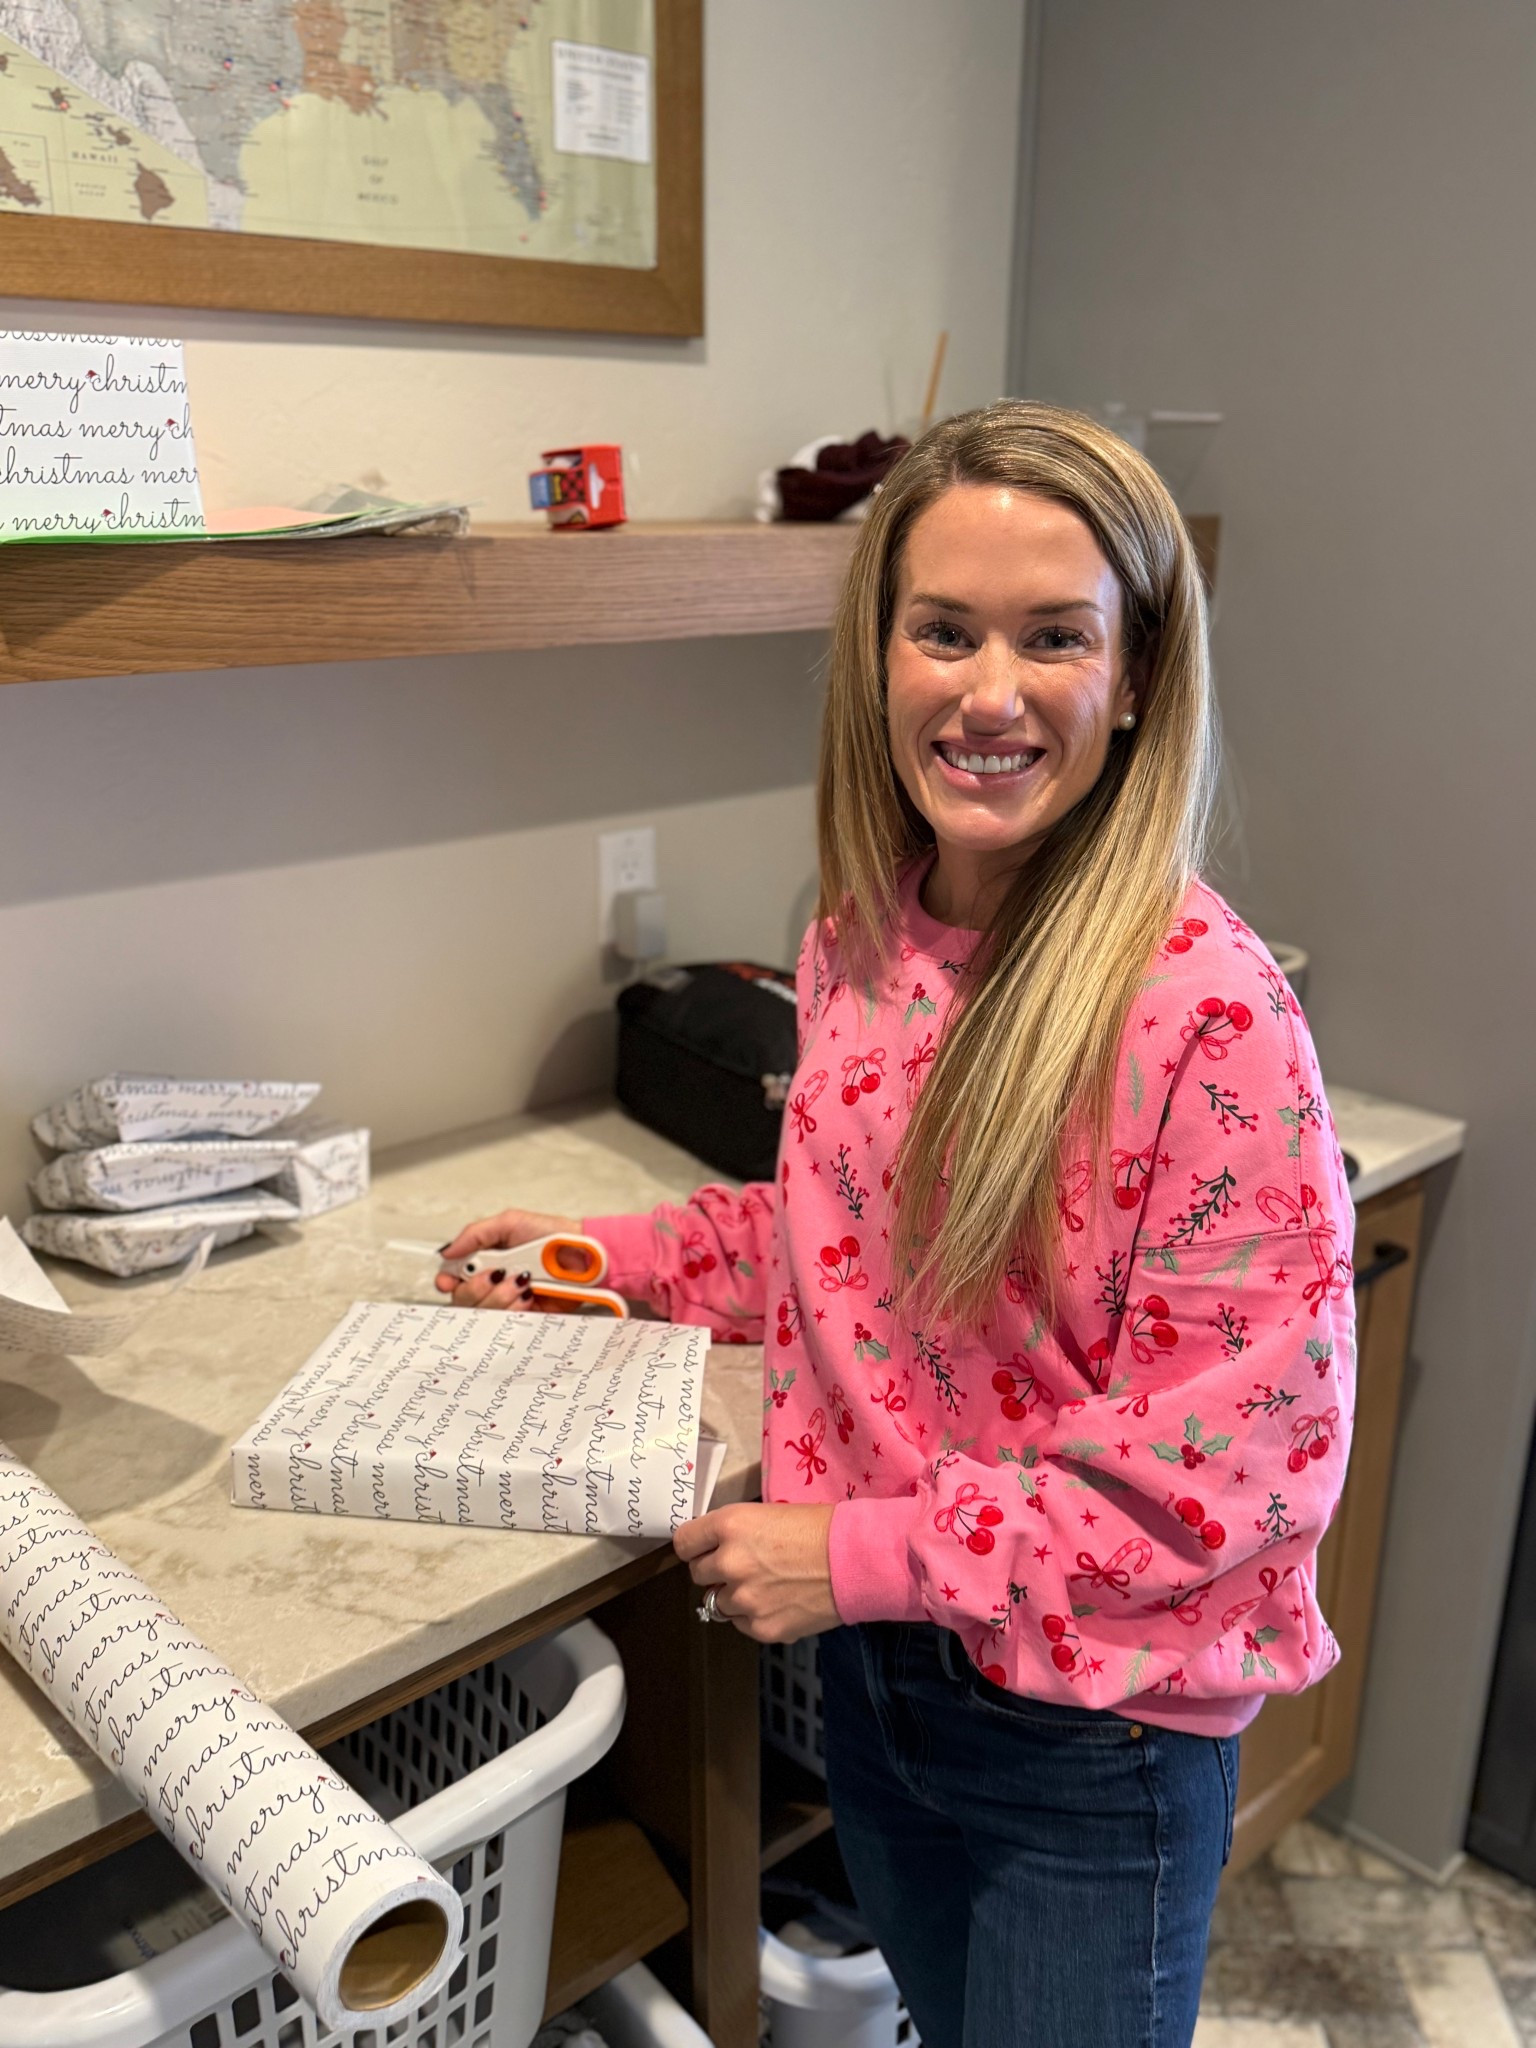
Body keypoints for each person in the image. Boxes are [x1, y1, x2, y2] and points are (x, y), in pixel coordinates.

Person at [438, 401, 1356, 2048]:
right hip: (885, 1684)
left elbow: (1235, 1480)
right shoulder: (868, 935)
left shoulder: (1205, 1018)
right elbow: (838, 1236)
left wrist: (859, 1554)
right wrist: (615, 1259)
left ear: (1139, 678)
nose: (987, 693)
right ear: (881, 658)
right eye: (944, 631)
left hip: (1095, 1737)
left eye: (1053, 638)